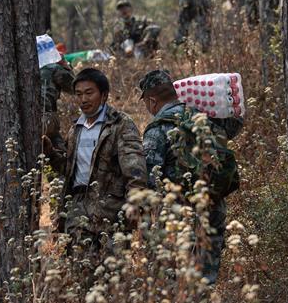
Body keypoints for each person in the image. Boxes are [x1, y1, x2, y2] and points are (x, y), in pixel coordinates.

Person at [139, 69, 242, 283]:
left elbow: (149, 178)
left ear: (152, 100)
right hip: (212, 211)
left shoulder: (158, 129)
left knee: (173, 283)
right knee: (205, 281)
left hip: (178, 218)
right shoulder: (205, 119)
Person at [45, 68, 146, 250]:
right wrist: (51, 153)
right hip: (78, 211)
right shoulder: (76, 128)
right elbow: (68, 169)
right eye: (79, 94)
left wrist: (134, 206)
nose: (83, 99)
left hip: (111, 212)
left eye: (89, 93)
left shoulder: (120, 124)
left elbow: (135, 170)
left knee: (111, 265)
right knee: (78, 263)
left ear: (104, 95)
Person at [40, 54, 76, 156]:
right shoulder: (53, 68)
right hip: (45, 118)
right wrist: (65, 65)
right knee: (59, 151)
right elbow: (74, 87)